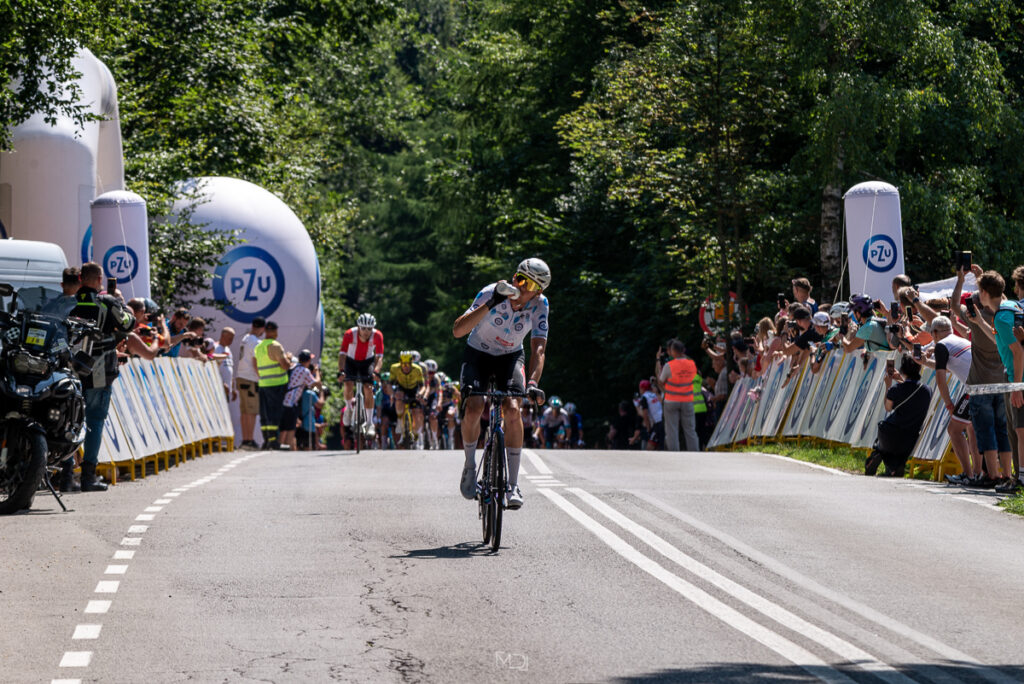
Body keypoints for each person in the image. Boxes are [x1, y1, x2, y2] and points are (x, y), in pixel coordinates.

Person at [453, 257, 550, 510]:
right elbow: (458, 330)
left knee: (514, 409)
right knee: (474, 406)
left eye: (525, 282)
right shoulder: (491, 292)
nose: (517, 284)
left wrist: (532, 382)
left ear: (537, 290)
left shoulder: (541, 305)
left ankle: (513, 484)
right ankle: (470, 465)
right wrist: (491, 303)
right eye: (517, 277)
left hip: (510, 356)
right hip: (478, 353)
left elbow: (538, 349)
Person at [68, 262, 135, 492]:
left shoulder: (69, 301)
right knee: (94, 422)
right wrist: (121, 303)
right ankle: (88, 477)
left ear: (79, 280)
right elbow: (129, 323)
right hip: (99, 371)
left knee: (69, 421)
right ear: (98, 281)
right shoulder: (107, 302)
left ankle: (66, 475)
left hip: (70, 371)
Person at [950, 266, 1014, 488]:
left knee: (985, 431)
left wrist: (961, 279)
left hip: (980, 385)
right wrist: (982, 278)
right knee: (1003, 431)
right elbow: (999, 295)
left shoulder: (977, 320)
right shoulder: (1006, 314)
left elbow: (954, 306)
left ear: (983, 293)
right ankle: (1007, 474)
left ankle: (992, 475)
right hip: (1003, 382)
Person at [918, 315, 981, 483]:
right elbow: (949, 368)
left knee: (954, 429)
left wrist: (948, 404)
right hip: (985, 385)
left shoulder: (941, 345)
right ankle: (978, 474)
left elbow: (940, 378)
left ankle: (968, 475)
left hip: (975, 389)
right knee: (972, 430)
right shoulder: (958, 341)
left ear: (935, 333)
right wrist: (926, 362)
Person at [978, 269, 1024, 493]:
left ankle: (1020, 479)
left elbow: (1017, 352)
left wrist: (1016, 386)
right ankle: (1016, 477)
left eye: (979, 291)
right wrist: (978, 321)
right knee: (1013, 429)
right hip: (1012, 375)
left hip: (1017, 376)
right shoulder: (1009, 308)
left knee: (1019, 428)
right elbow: (1001, 340)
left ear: (984, 293)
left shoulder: (1002, 317)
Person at [865, 354, 932, 477]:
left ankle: (879, 456)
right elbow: (912, 391)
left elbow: (888, 407)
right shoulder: (927, 390)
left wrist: (888, 385)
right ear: (919, 368)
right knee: (900, 454)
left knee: (883, 445)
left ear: (902, 370)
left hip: (890, 434)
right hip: (910, 437)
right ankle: (895, 466)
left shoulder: (895, 390)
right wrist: (901, 379)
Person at [338, 313, 384, 438]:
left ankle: (370, 423)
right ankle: (348, 409)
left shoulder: (377, 335)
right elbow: (342, 354)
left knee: (368, 388)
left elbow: (379, 357)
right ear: (358, 327)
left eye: (369, 329)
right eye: (363, 328)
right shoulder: (349, 334)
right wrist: (341, 371)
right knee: (348, 383)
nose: (366, 332)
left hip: (367, 362)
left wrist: (376, 372)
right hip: (351, 361)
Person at [253, 321, 292, 450]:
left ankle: (266, 440)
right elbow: (285, 365)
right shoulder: (275, 345)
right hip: (277, 383)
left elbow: (255, 365)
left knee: (264, 413)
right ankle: (274, 441)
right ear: (275, 331)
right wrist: (289, 358)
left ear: (265, 331)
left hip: (263, 383)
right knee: (275, 412)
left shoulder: (258, 347)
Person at [656, 339, 699, 451]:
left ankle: (674, 453)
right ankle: (695, 452)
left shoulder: (669, 365)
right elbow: (693, 377)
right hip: (687, 399)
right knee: (690, 429)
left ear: (673, 351)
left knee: (672, 430)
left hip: (671, 400)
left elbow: (661, 380)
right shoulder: (692, 364)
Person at [280, 350, 321, 450]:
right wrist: (317, 372)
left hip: (283, 400)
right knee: (290, 429)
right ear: (307, 361)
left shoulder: (294, 366)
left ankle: (279, 447)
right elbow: (315, 383)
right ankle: (287, 449)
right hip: (291, 403)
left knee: (283, 428)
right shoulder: (304, 371)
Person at [234, 317, 265, 449]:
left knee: (245, 411)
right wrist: (261, 377)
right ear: (262, 328)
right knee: (251, 411)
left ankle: (246, 439)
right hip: (250, 378)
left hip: (241, 376)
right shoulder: (256, 342)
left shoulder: (245, 338)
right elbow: (255, 362)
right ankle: (249, 439)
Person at [389, 351, 428, 447]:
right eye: (403, 364)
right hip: (401, 388)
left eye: (408, 364)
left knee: (416, 413)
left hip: (414, 390)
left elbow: (423, 386)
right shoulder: (394, 368)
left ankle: (415, 432)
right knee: (398, 397)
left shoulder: (417, 369)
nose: (405, 367)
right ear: (400, 363)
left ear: (411, 363)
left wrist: (420, 394)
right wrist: (392, 395)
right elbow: (390, 384)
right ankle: (399, 421)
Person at [633, 379, 663, 450]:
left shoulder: (644, 397)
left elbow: (645, 415)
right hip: (662, 420)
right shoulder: (654, 394)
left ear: (642, 388)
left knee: (649, 448)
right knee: (659, 445)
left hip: (657, 423)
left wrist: (636, 406)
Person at [213, 327, 237, 403]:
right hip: (218, 389)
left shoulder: (228, 350)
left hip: (226, 390)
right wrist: (222, 383)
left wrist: (233, 388)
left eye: (232, 339)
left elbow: (230, 368)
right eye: (229, 338)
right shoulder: (216, 348)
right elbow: (213, 369)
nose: (231, 341)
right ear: (223, 336)